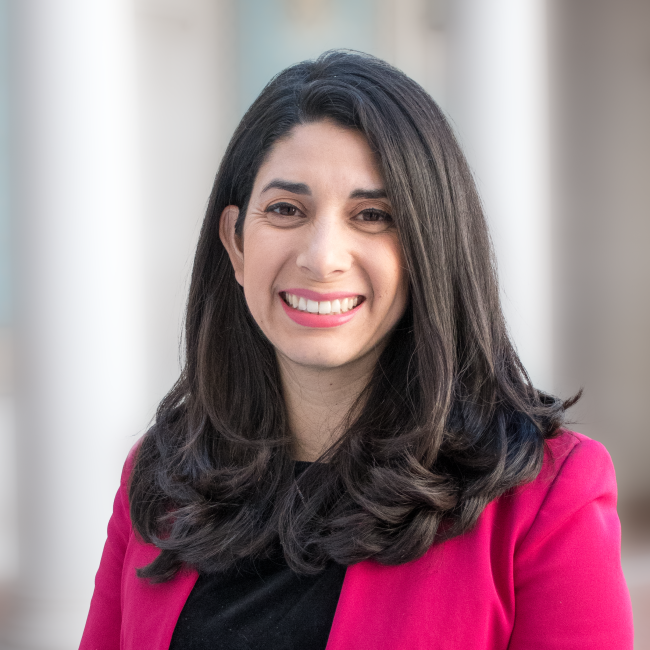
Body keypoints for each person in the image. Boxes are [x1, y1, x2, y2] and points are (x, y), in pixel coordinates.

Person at [79, 51, 633, 650]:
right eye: (286, 210)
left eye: (373, 216)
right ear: (236, 245)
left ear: (432, 249)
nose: (322, 257)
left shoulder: (543, 497)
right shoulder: (163, 475)